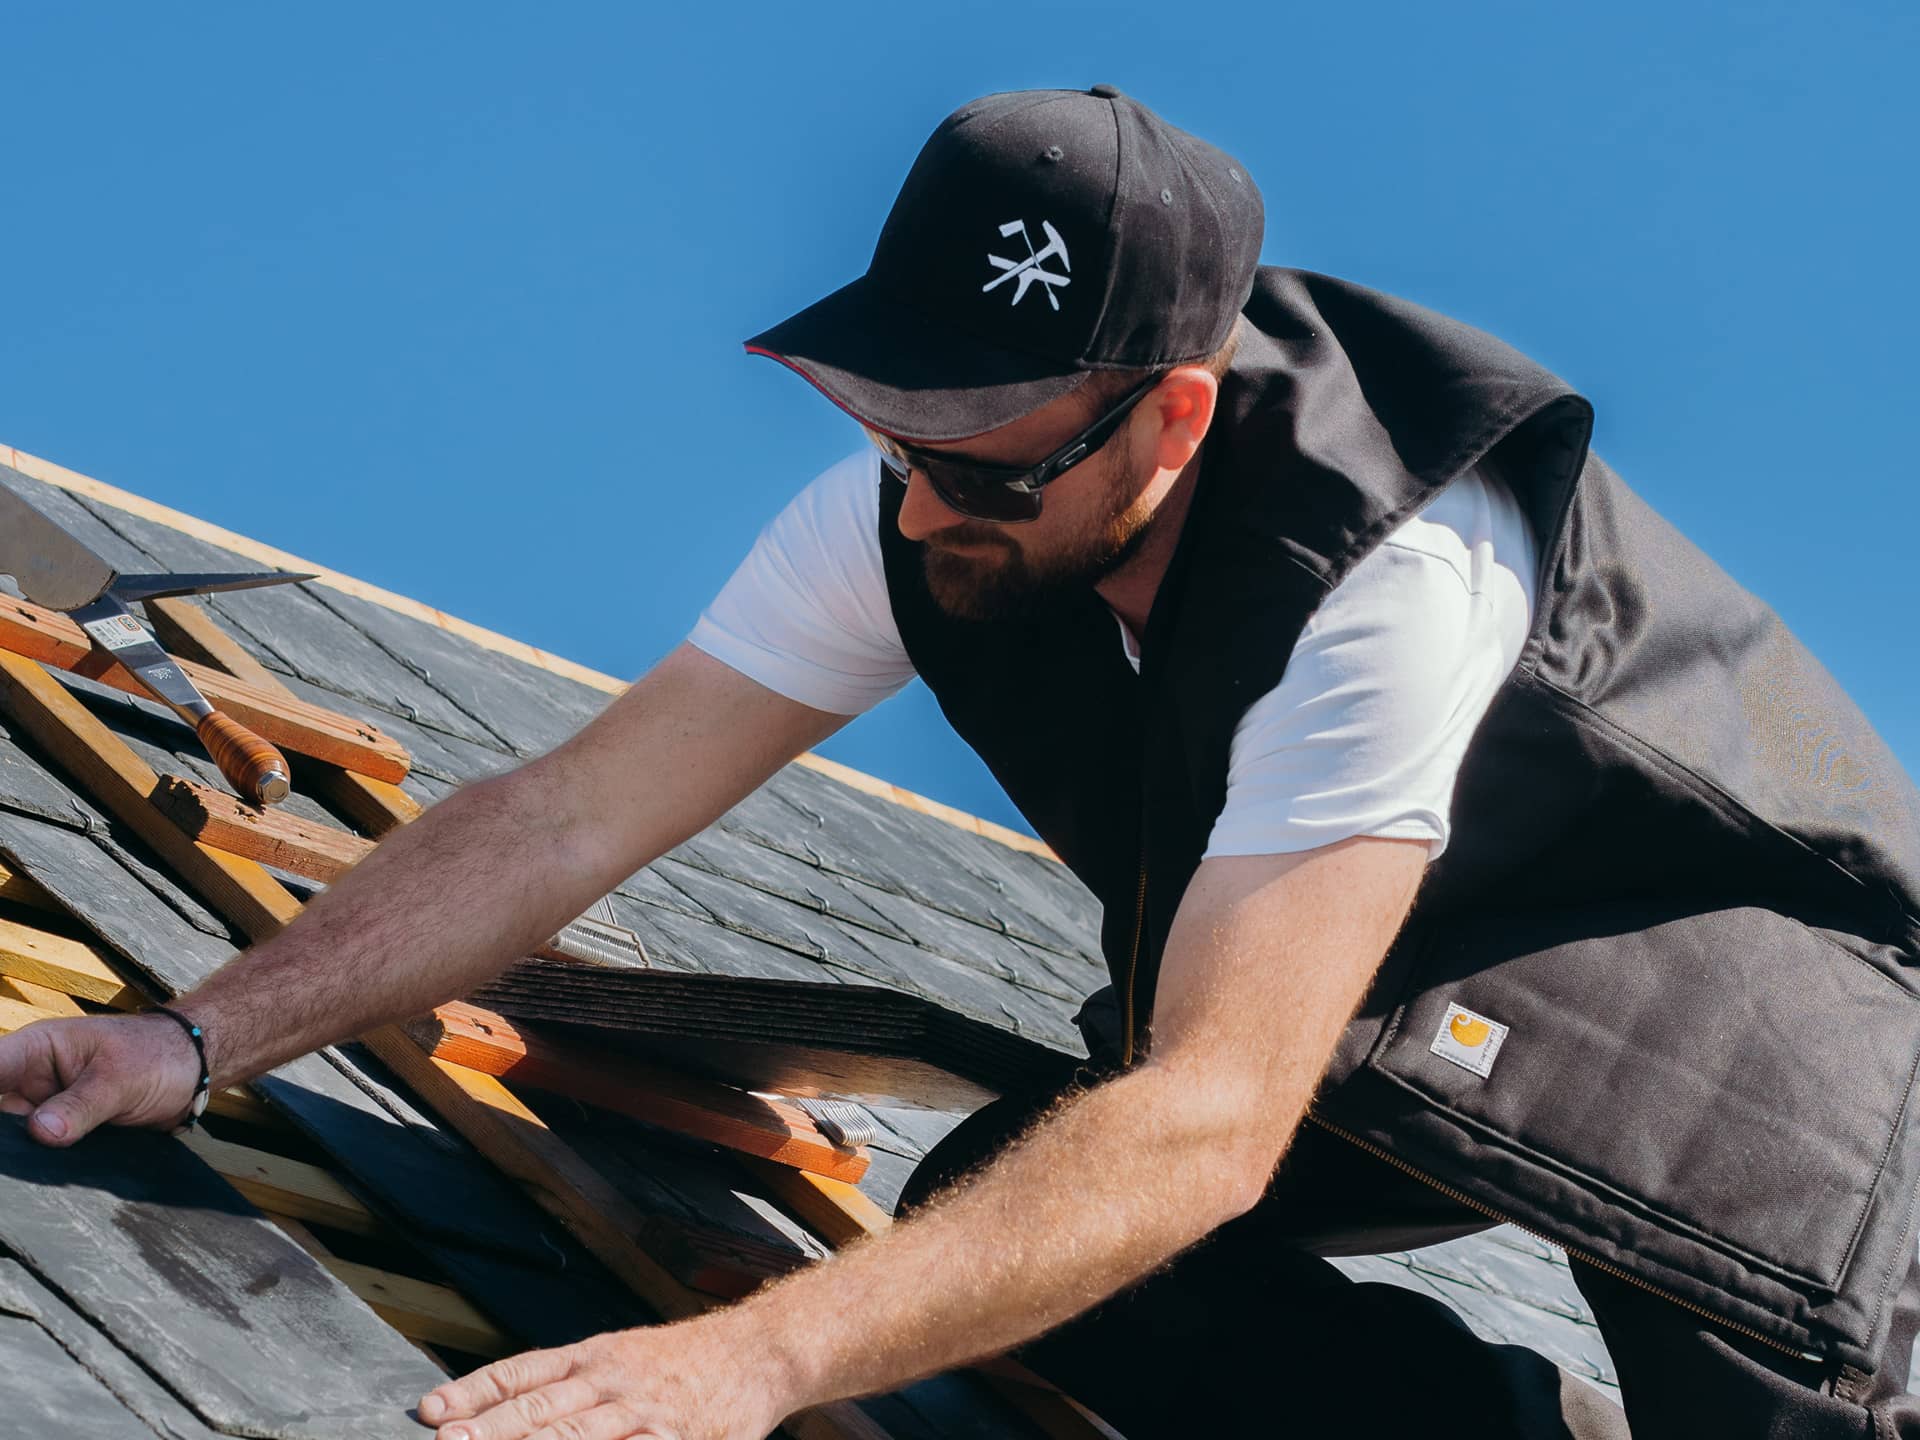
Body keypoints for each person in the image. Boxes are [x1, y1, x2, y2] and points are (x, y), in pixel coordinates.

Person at [4, 84, 1918, 1439]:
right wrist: (199, 1036)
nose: (923, 509)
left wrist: (743, 1362)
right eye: (895, 434)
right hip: (1372, 984)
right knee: (1031, 1230)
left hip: (1769, 1043)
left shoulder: (1386, 571)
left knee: (1770, 1388)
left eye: (989, 462)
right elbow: (567, 813)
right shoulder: (925, 502)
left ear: (1174, 415)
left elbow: (1213, 1121)